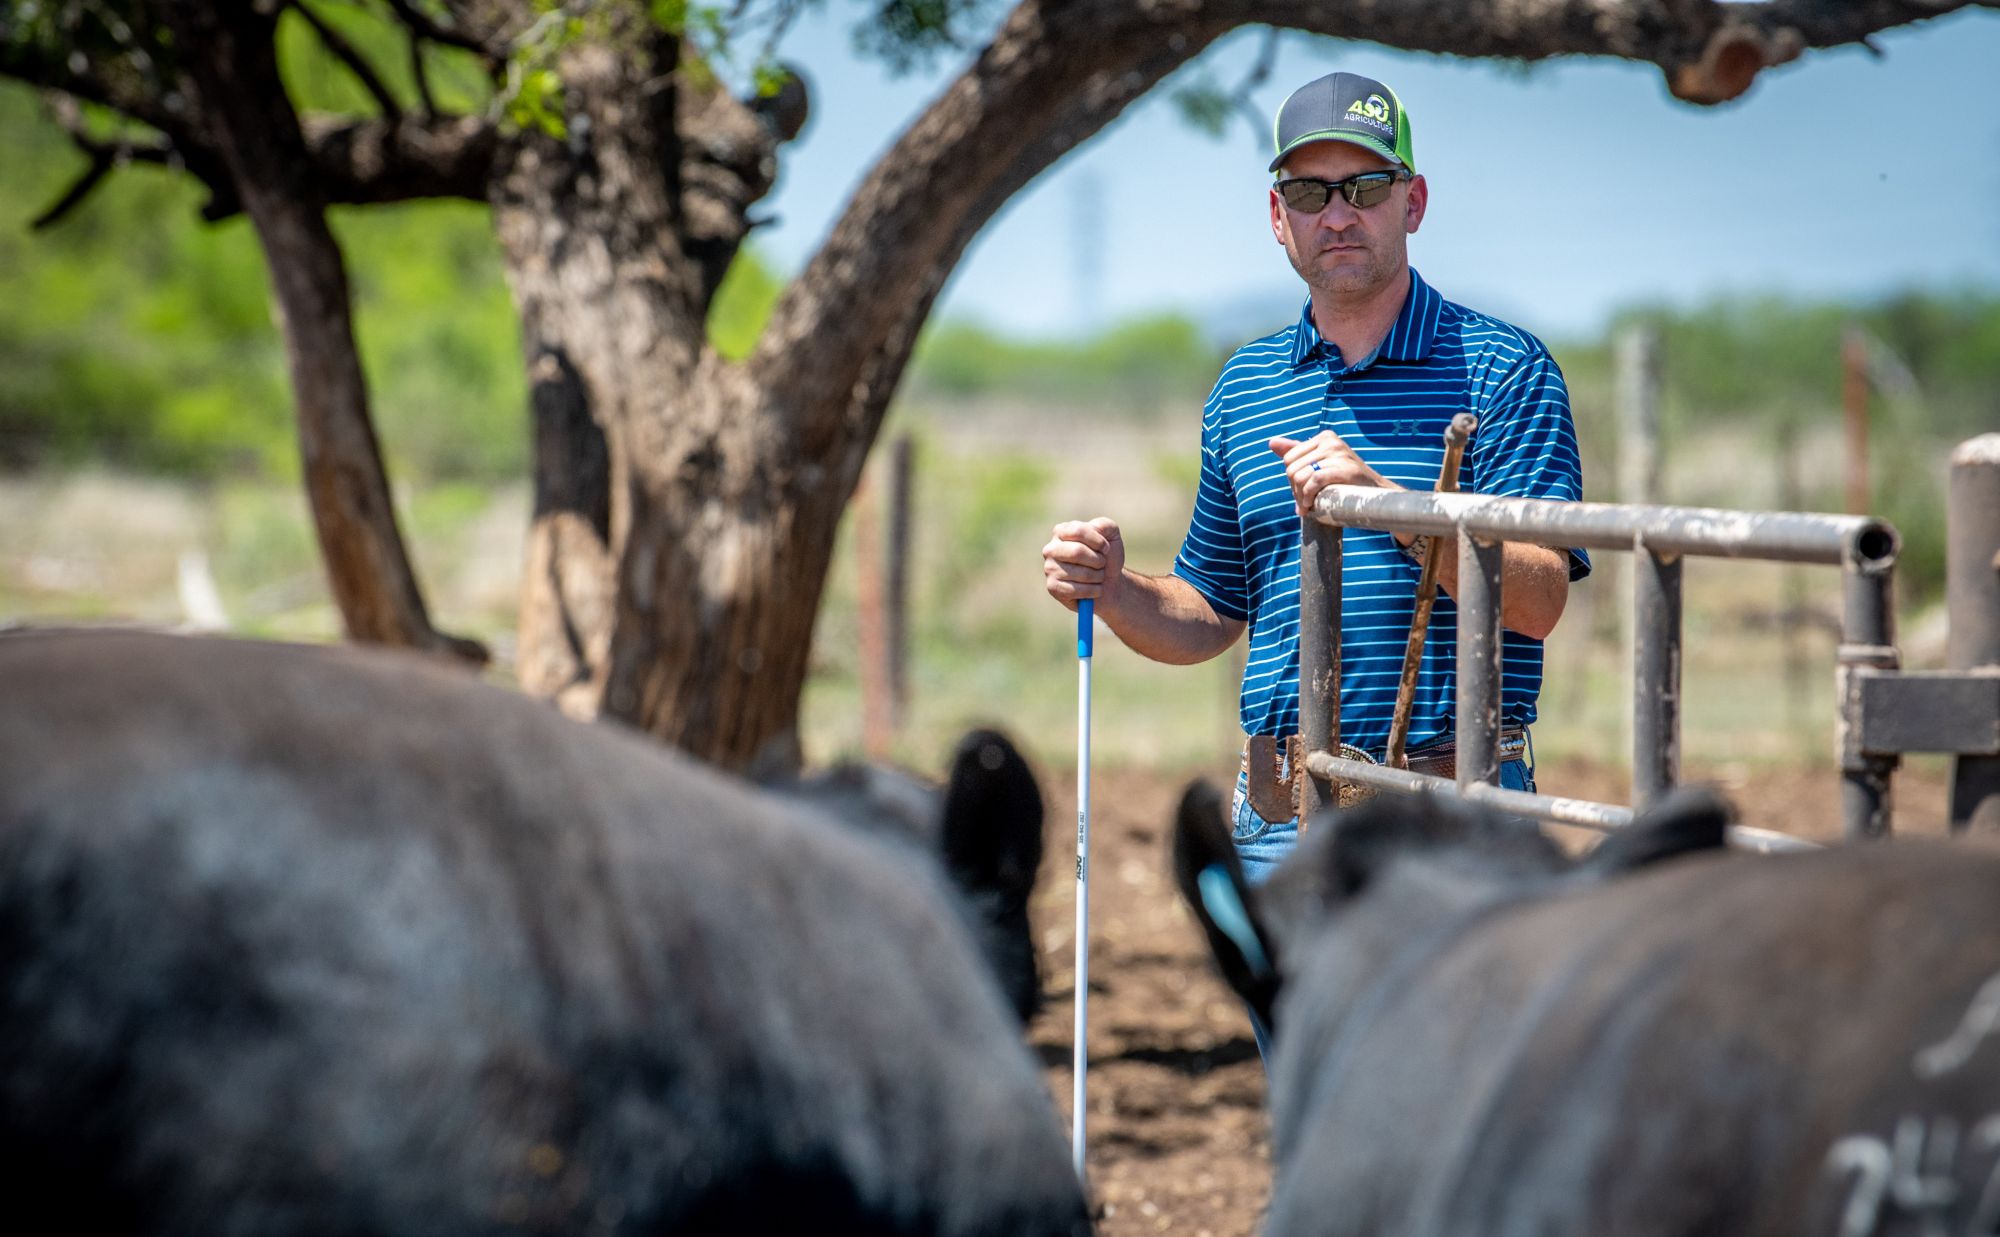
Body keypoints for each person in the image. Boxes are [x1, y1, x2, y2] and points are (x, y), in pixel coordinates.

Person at [1042, 69, 1589, 888]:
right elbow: (1211, 610)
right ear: (1277, 216)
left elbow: (1540, 599)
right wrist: (1116, 589)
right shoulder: (1246, 385)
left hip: (1453, 814)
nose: (1336, 213)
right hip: (1277, 826)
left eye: (1365, 185)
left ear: (1414, 202)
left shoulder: (1504, 369)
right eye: (1307, 191)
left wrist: (1392, 510)